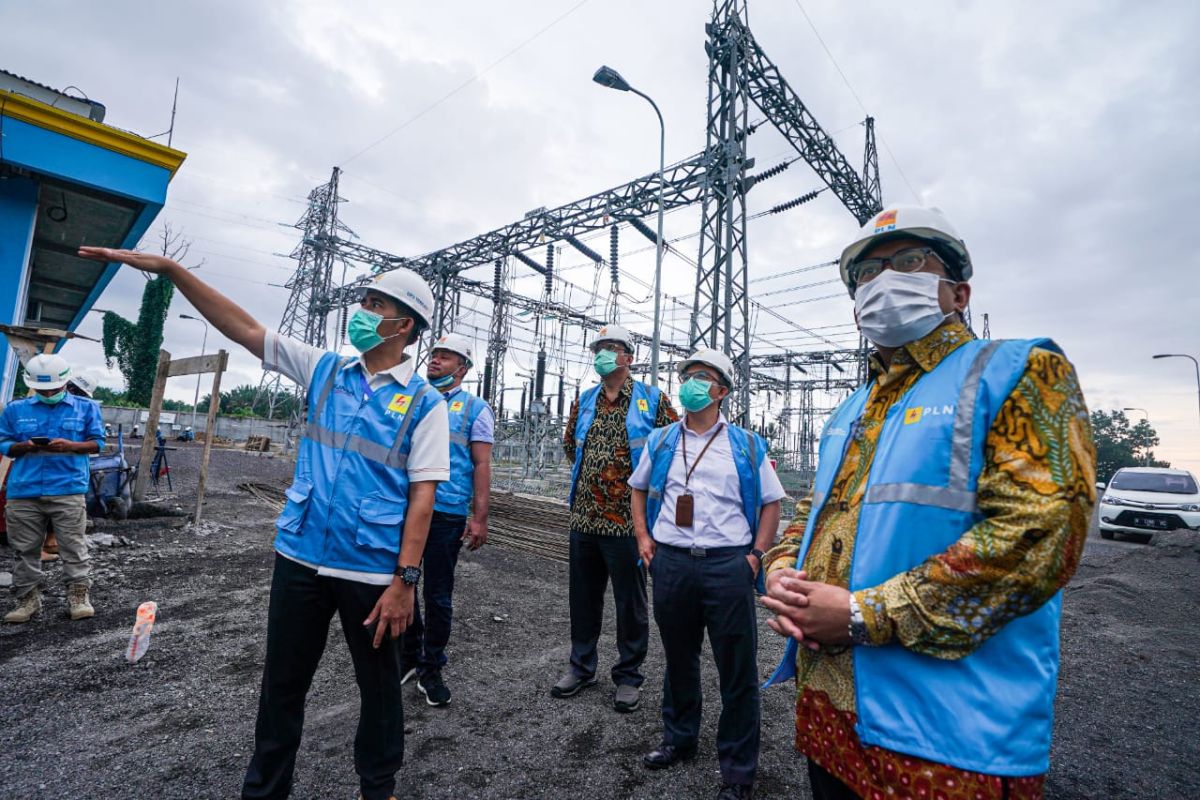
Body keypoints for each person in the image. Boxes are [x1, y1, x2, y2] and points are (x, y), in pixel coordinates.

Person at [79, 245, 449, 800]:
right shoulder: (326, 370)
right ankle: (266, 791)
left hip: (372, 572)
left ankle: (379, 787)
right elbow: (245, 327)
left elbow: (423, 499)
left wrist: (405, 583)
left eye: (377, 304)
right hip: (300, 556)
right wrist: (176, 271)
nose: (364, 312)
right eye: (366, 300)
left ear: (406, 327)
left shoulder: (425, 405)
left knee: (378, 691)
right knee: (281, 688)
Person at [759, 206, 1097, 800]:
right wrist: (784, 569)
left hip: (948, 737)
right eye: (865, 273)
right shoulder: (853, 408)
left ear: (959, 291)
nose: (883, 280)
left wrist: (865, 614)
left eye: (910, 261)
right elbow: (819, 508)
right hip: (830, 717)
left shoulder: (1019, 372)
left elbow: (1039, 535)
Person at [629, 348, 785, 800]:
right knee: (679, 659)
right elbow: (638, 491)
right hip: (672, 563)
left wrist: (756, 556)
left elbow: (771, 504)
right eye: (686, 376)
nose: (689, 383)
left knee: (736, 669)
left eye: (700, 377)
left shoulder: (747, 444)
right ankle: (679, 739)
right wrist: (643, 538)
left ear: (721, 391)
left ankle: (738, 769)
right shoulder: (661, 440)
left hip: (727, 565)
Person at [552, 324, 678, 712]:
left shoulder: (651, 400)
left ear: (629, 357)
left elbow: (673, 447)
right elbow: (571, 444)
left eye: (611, 348)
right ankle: (581, 665)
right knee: (583, 599)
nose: (602, 354)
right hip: (585, 518)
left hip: (629, 522)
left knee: (630, 603)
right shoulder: (586, 399)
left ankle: (628, 676)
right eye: (599, 348)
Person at [400, 332, 494, 707]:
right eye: (434, 353)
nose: (435, 360)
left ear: (463, 368)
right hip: (405, 507)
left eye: (446, 356)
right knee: (401, 582)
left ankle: (431, 666)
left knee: (437, 593)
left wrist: (480, 516)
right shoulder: (412, 398)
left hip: (446, 512)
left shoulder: (474, 408)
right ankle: (409, 655)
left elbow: (481, 464)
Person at [0, 354, 105, 623]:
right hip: (24, 489)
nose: (49, 393)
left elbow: (97, 444)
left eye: (54, 389)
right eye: (43, 390)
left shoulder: (86, 408)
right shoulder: (15, 410)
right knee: (25, 549)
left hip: (67, 487)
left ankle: (79, 596)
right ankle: (27, 599)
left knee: (73, 546)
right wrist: (24, 447)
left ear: (65, 382)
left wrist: (69, 446)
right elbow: (3, 442)